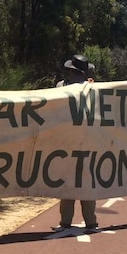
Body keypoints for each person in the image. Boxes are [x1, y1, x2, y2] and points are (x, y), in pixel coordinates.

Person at [54, 55, 98, 230]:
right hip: (81, 140)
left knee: (74, 181)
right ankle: (88, 221)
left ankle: (68, 221)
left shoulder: (62, 87)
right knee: (80, 181)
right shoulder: (92, 88)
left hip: (71, 140)